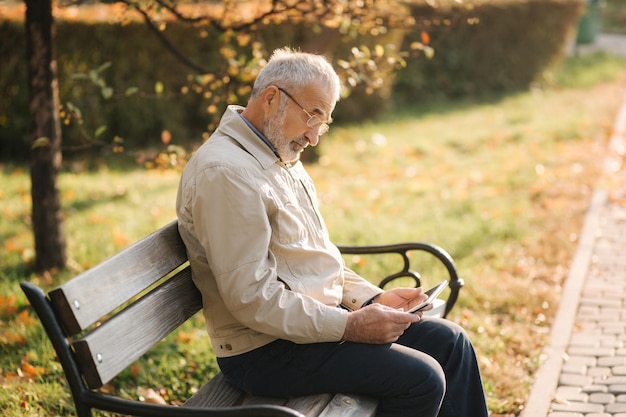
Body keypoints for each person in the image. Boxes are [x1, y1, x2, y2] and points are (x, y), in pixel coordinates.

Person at [176, 47, 489, 417]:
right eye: (313, 117)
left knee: (451, 342)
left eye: (323, 123)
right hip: (265, 351)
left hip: (314, 327)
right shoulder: (226, 172)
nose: (314, 137)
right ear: (272, 98)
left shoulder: (279, 157)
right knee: (423, 380)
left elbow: (316, 257)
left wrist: (371, 301)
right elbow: (251, 298)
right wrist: (351, 326)